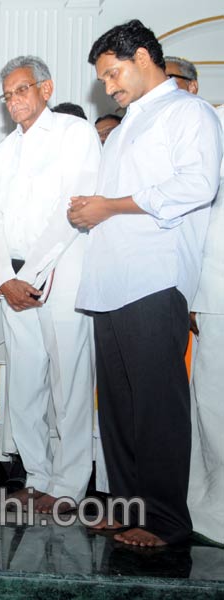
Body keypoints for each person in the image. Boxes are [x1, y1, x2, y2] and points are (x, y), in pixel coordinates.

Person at [69, 19, 222, 546]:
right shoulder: (129, 123)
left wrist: (107, 206)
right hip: (110, 280)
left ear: (141, 57)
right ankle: (128, 505)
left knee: (157, 404)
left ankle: (165, 520)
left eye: (113, 74)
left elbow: (197, 186)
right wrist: (90, 209)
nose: (108, 87)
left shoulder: (188, 113)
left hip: (154, 278)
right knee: (118, 405)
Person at [0, 56, 100, 512]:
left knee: (68, 379)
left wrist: (28, 274)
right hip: (11, 279)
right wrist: (6, 277)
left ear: (45, 89)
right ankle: (36, 473)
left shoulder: (75, 134)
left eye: (22, 90)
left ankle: (68, 484)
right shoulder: (3, 152)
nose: (14, 101)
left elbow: (73, 210)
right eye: (7, 94)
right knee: (24, 383)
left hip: (63, 270)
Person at [173, 60, 224, 546]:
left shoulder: (212, 121)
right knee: (210, 403)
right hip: (212, 288)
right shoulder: (208, 124)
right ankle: (208, 510)